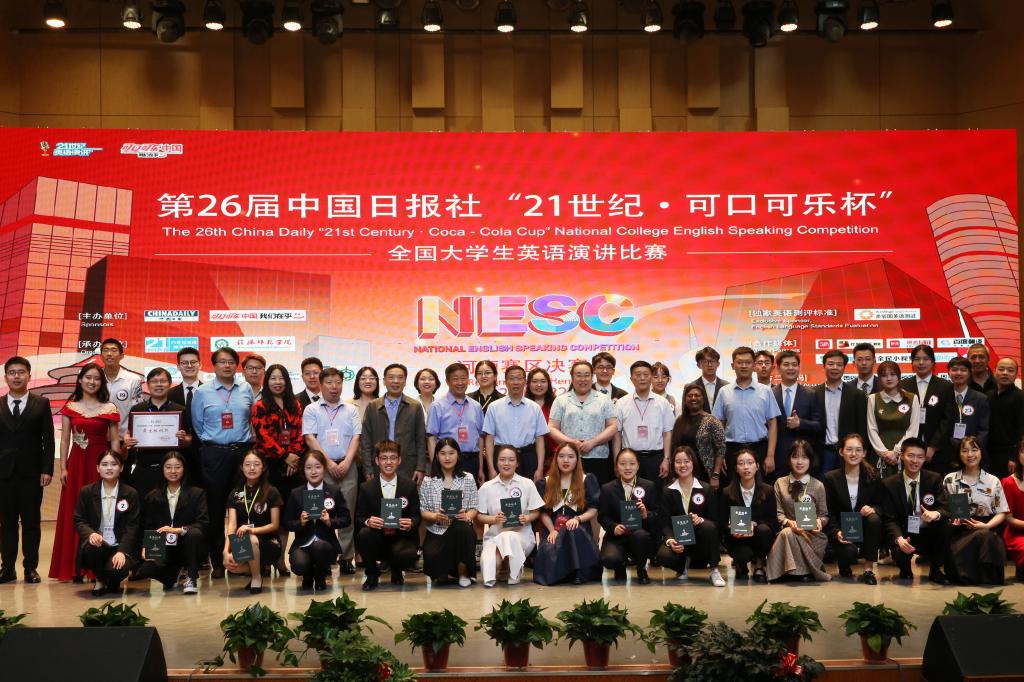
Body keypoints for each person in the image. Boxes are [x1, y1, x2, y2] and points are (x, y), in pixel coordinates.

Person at [50, 363, 121, 582]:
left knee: (100, 510)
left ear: (102, 383)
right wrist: (63, 467)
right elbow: (65, 440)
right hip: (77, 464)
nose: (92, 382)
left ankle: (96, 567)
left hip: (101, 466)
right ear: (80, 380)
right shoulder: (70, 407)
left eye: (97, 378)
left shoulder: (109, 407)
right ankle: (73, 567)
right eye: (88, 377)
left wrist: (115, 466)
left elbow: (115, 440)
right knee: (75, 512)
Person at [191, 346, 254, 579]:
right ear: (214, 365)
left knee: (243, 508)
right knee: (215, 509)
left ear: (236, 365)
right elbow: (198, 426)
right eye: (222, 362)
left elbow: (250, 420)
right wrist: (215, 442)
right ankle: (218, 561)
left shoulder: (246, 388)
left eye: (231, 362)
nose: (227, 366)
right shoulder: (202, 392)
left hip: (242, 454)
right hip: (214, 454)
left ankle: (241, 560)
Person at [0, 357, 54, 585]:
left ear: (29, 376)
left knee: (31, 523)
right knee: (7, 524)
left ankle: (30, 568)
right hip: (3, 474)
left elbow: (48, 440)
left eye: (21, 372)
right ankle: (7, 569)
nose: (16, 376)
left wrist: (47, 469)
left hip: (32, 474)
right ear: (6, 377)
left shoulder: (41, 403)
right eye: (12, 372)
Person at [303, 367, 362, 575]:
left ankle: (346, 557)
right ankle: (324, 557)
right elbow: (309, 438)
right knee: (321, 513)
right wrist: (327, 463)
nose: (334, 387)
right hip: (321, 469)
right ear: (320, 385)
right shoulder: (311, 409)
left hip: (347, 466)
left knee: (347, 513)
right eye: (329, 382)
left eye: (337, 382)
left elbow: (356, 437)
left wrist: (347, 461)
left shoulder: (351, 409)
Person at [251, 363, 305, 576]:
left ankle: (281, 560)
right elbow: (264, 436)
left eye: (281, 378)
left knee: (287, 515)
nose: (277, 382)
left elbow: (300, 432)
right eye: (273, 378)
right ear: (267, 381)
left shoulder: (295, 404)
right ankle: (265, 559)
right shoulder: (260, 406)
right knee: (268, 514)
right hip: (270, 466)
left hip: (293, 465)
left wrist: (294, 458)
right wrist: (285, 456)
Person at [880, 437, 950, 584]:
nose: (915, 461)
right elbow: (890, 519)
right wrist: (899, 539)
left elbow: (945, 509)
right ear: (901, 456)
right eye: (910, 456)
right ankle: (905, 568)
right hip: (905, 534)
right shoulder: (889, 484)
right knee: (897, 544)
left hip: (927, 532)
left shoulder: (934, 479)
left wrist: (935, 514)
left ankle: (936, 569)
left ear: (925, 459)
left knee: (944, 525)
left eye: (920, 457)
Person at [137, 451, 208, 594]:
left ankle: (191, 577)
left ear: (184, 469)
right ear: (162, 469)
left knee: (194, 534)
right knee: (146, 570)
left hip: (189, 547)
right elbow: (149, 526)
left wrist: (178, 530)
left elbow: (203, 523)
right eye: (168, 467)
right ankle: (171, 575)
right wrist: (146, 547)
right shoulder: (152, 496)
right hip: (163, 548)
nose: (173, 471)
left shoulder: (197, 493)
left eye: (178, 467)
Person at [656, 446, 726, 587]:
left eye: (686, 461)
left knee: (709, 526)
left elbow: (715, 521)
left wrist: (701, 520)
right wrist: (670, 540)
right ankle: (682, 567)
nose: (682, 465)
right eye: (678, 462)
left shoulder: (706, 489)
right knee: (663, 556)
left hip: (700, 541)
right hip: (679, 541)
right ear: (673, 465)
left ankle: (714, 570)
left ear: (693, 462)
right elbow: (665, 522)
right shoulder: (667, 491)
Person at [942, 437, 1008, 585]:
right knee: (982, 537)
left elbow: (1002, 512)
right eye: (965, 450)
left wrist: (987, 525)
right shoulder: (950, 479)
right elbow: (943, 509)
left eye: (974, 450)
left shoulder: (993, 481)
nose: (970, 454)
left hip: (986, 528)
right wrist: (951, 520)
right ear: (959, 454)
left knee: (985, 535)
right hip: (959, 532)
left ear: (981, 452)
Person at [355, 441, 420, 591]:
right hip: (377, 538)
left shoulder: (409, 486)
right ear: (377, 461)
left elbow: (417, 516)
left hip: (401, 538)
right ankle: (372, 574)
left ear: (399, 460)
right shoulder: (366, 487)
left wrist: (411, 522)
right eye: (384, 458)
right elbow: (359, 517)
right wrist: (368, 521)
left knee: (408, 554)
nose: (388, 462)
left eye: (393, 458)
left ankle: (397, 570)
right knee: (364, 534)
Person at [534, 442, 601, 586]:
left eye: (570, 457)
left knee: (573, 531)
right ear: (556, 459)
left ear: (577, 460)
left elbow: (593, 510)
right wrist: (552, 530)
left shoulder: (586, 480)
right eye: (562, 456)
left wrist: (578, 518)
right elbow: (542, 513)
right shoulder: (545, 483)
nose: (566, 460)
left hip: (578, 526)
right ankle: (562, 575)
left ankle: (578, 573)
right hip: (553, 528)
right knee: (549, 549)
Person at [73, 450, 140, 596]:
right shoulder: (87, 492)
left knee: (117, 569)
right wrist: (90, 534)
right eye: (104, 464)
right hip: (99, 545)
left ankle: (113, 579)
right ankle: (100, 579)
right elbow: (79, 519)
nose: (109, 468)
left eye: (114, 464)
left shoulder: (130, 493)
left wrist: (122, 551)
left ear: (121, 467)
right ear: (98, 468)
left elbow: (132, 526)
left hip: (118, 545)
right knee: (93, 545)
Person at [476, 444, 544, 587]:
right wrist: (494, 519)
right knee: (490, 567)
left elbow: (536, 512)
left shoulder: (527, 484)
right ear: (496, 462)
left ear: (517, 463)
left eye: (511, 460)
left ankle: (514, 572)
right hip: (495, 536)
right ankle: (502, 567)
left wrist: (527, 518)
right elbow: (480, 516)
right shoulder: (487, 487)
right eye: (502, 460)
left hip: (521, 537)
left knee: (509, 536)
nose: (506, 463)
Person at [284, 450, 351, 591]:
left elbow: (346, 519)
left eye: (318, 467)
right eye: (308, 467)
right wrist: (300, 522)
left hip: (326, 544)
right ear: (303, 470)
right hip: (302, 543)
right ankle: (307, 575)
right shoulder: (296, 493)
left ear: (325, 469)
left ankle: (320, 576)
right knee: (299, 564)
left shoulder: (334, 491)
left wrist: (330, 521)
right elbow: (287, 523)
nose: (313, 471)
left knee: (320, 547)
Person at [123, 367, 191, 503]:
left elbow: (190, 440)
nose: (159, 384)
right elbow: (128, 437)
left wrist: (184, 439)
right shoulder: (137, 410)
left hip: (171, 472)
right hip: (144, 470)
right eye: (154, 381)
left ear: (170, 384)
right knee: (143, 508)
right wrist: (127, 442)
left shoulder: (180, 410)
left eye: (163, 381)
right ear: (148, 385)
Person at [766, 441, 830, 583]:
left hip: (811, 534)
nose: (799, 462)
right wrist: (789, 523)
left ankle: (790, 572)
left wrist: (820, 522)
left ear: (810, 460)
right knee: (788, 533)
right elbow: (778, 514)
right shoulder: (780, 483)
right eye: (795, 457)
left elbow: (824, 515)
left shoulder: (818, 485)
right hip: (788, 531)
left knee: (790, 535)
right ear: (789, 459)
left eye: (804, 457)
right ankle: (801, 572)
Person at [418, 438, 479, 587]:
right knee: (440, 579)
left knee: (462, 528)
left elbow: (474, 507)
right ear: (437, 456)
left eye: (451, 453)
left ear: (458, 455)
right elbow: (423, 511)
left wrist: (467, 516)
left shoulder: (467, 478)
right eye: (443, 453)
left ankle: (463, 573)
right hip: (437, 531)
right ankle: (443, 572)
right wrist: (435, 516)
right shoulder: (428, 481)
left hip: (460, 529)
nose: (447, 457)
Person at [712, 346, 781, 476]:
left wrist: (770, 455)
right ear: (733, 365)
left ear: (754, 365)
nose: (744, 366)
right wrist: (720, 455)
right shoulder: (724, 392)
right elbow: (719, 426)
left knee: (760, 487)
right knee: (732, 487)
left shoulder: (765, 391)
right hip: (732, 449)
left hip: (759, 449)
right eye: (739, 362)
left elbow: (773, 424)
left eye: (748, 362)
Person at [824, 434, 882, 585]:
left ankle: (868, 569)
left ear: (864, 453)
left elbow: (881, 505)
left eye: (858, 450)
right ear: (841, 451)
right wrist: (836, 532)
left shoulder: (873, 476)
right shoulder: (830, 478)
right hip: (842, 531)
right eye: (849, 449)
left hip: (864, 528)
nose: (853, 454)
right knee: (848, 553)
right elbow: (828, 510)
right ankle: (844, 563)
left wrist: (872, 509)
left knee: (874, 519)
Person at [223, 450, 283, 594]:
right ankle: (258, 568)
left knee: (250, 539)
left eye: (256, 464)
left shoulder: (271, 491)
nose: (251, 468)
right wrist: (225, 550)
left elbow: (275, 525)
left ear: (263, 467)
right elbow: (232, 525)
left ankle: (256, 577)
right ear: (241, 467)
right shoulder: (235, 493)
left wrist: (252, 530)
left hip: (269, 543)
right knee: (232, 565)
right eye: (247, 464)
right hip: (242, 541)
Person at [549, 361, 618, 484]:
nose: (583, 379)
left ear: (592, 377)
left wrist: (593, 442)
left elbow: (613, 426)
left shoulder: (604, 399)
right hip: (568, 458)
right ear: (572, 377)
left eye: (586, 375)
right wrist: (570, 442)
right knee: (569, 492)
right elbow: (552, 428)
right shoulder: (561, 400)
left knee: (595, 492)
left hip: (597, 457)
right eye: (578, 375)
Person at [598, 448, 659, 584]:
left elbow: (657, 514)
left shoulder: (648, 486)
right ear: (616, 466)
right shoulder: (607, 489)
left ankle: (641, 569)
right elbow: (602, 516)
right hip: (616, 537)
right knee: (609, 559)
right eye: (622, 464)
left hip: (640, 534)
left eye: (632, 464)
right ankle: (620, 567)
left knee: (641, 536)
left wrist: (645, 514)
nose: (627, 468)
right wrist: (613, 527)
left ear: (638, 466)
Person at [718, 448, 776, 583]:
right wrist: (731, 528)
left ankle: (759, 565)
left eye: (750, 463)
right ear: (736, 469)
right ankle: (741, 565)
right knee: (743, 555)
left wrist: (754, 524)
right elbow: (721, 523)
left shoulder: (768, 490)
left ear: (757, 466)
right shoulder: (727, 492)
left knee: (764, 530)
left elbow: (773, 522)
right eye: (741, 463)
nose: (746, 467)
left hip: (758, 537)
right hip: (736, 539)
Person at [362, 363, 427, 483]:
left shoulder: (415, 406)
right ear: (384, 381)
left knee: (405, 495)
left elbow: (421, 440)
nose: (396, 381)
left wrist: (420, 467)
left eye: (400, 377)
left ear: (405, 381)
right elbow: (366, 441)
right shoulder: (373, 406)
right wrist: (367, 468)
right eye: (391, 377)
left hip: (407, 466)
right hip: (378, 466)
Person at [613, 361, 675, 484]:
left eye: (646, 374)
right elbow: (617, 434)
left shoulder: (662, 403)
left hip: (656, 459)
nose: (642, 378)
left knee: (656, 494)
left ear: (651, 377)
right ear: (631, 379)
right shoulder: (622, 403)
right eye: (638, 375)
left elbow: (667, 433)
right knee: (630, 493)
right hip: (629, 460)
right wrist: (616, 461)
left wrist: (666, 459)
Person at [483, 365, 549, 480]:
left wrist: (539, 468)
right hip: (503, 458)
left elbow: (539, 440)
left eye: (519, 378)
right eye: (512, 378)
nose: (515, 382)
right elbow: (489, 440)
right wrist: (491, 469)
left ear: (525, 381)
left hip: (528, 458)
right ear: (505, 382)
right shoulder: (494, 407)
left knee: (528, 490)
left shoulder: (534, 408)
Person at [900, 344, 954, 475]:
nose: (921, 362)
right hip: (909, 450)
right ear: (912, 362)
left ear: (933, 362)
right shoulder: (903, 385)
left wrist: (933, 447)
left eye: (925, 359)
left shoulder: (945, 386)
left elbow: (947, 419)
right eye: (917, 359)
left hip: (937, 452)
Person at [428, 363, 486, 484]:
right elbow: (431, 438)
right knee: (448, 495)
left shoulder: (476, 406)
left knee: (470, 495)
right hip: (447, 461)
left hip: (472, 461)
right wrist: (435, 466)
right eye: (455, 379)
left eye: (463, 378)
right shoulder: (437, 406)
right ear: (447, 381)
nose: (460, 382)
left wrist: (480, 467)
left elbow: (480, 438)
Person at [813, 350, 867, 476]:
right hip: (823, 453)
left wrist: (862, 454)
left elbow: (862, 428)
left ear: (844, 368)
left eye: (839, 364)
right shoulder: (813, 393)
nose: (835, 367)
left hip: (849, 453)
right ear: (824, 366)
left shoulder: (856, 395)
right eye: (831, 364)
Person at [773, 351, 823, 480]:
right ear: (778, 368)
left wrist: (801, 423)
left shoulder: (811, 394)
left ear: (799, 367)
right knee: (779, 490)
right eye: (786, 364)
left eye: (794, 364)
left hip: (803, 458)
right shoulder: (770, 394)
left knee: (803, 492)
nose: (791, 368)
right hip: (777, 457)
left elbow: (819, 426)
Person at [866, 360, 920, 479]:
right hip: (879, 455)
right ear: (879, 378)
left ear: (899, 376)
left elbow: (913, 430)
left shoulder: (912, 398)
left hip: (905, 454)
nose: (889, 378)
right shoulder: (873, 399)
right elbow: (871, 429)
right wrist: (885, 453)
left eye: (892, 374)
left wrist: (896, 452)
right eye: (884, 375)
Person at [670, 385, 726, 490]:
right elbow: (674, 447)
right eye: (690, 395)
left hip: (706, 474)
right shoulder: (679, 421)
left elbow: (721, 449)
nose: (693, 398)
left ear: (703, 399)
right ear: (685, 400)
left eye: (697, 395)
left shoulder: (712, 421)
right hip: (684, 471)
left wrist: (715, 475)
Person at [168, 347, 203, 486]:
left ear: (200, 365)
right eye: (184, 363)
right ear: (178, 366)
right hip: (176, 453)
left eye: (193, 362)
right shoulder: (169, 394)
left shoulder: (210, 392)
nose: (189, 366)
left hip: (203, 453)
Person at [99, 338, 144, 438]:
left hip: (125, 438)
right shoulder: (94, 379)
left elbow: (138, 410)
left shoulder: (133, 379)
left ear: (121, 356)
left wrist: (130, 435)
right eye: (105, 350)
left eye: (114, 350)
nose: (109, 354)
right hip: (99, 438)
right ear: (100, 356)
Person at [986, 358, 1023, 479]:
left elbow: (1022, 430)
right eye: (1001, 369)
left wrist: (1014, 457)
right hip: (988, 453)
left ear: (1016, 375)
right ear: (995, 372)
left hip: (1010, 456)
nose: (1005, 373)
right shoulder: (988, 396)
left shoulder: (1020, 397)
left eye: (1010, 370)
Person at [944, 356, 990, 453]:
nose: (958, 373)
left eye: (963, 370)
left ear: (970, 373)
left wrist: (973, 448)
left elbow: (984, 429)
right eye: (954, 370)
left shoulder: (980, 399)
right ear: (948, 372)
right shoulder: (942, 395)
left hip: (971, 451)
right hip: (946, 449)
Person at [1000, 439, 1024, 582]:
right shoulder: (1008, 482)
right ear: (1018, 455)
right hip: (1017, 533)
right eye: (1023, 451)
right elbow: (1008, 519)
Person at [527, 367, 558, 471]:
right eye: (534, 381)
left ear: (548, 384)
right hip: (528, 457)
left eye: (543, 381)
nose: (539, 385)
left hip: (554, 457)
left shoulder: (557, 404)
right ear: (528, 384)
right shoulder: (523, 404)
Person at [686, 346, 728, 413]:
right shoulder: (690, 387)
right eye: (705, 361)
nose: (709, 365)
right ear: (699, 365)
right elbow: (686, 413)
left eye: (713, 361)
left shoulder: (727, 387)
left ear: (718, 364)